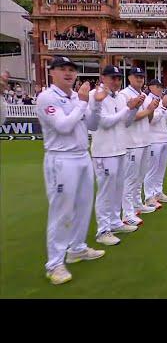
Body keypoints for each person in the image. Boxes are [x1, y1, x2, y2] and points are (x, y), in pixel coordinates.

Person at [36, 56, 107, 285]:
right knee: (62, 211)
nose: (68, 73)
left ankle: (77, 248)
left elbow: (93, 125)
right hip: (61, 158)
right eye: (62, 69)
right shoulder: (47, 97)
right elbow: (64, 126)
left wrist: (94, 103)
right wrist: (84, 102)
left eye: (71, 70)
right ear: (52, 72)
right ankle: (54, 264)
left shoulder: (77, 97)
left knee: (84, 205)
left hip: (82, 155)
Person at [89, 65, 141, 247]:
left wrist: (134, 109)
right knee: (105, 191)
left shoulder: (119, 97)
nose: (116, 81)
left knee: (117, 189)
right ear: (103, 77)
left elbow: (125, 122)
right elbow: (105, 122)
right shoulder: (96, 96)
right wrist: (128, 108)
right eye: (112, 78)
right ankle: (103, 230)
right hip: (104, 152)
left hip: (120, 149)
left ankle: (115, 221)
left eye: (118, 78)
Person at [120, 66, 159, 222]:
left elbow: (148, 119)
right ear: (129, 78)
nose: (140, 79)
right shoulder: (125, 95)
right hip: (132, 142)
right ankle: (127, 213)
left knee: (140, 177)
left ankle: (137, 204)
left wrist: (152, 110)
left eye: (142, 77)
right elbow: (129, 118)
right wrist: (148, 110)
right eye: (136, 76)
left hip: (144, 140)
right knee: (130, 179)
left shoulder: (143, 95)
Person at [143, 79, 167, 208]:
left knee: (161, 169)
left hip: (164, 138)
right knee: (152, 169)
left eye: (161, 86)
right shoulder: (148, 100)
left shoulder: (161, 101)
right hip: (153, 140)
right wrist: (163, 107)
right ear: (151, 87)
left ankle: (158, 192)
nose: (160, 89)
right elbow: (151, 120)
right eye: (157, 86)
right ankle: (148, 196)